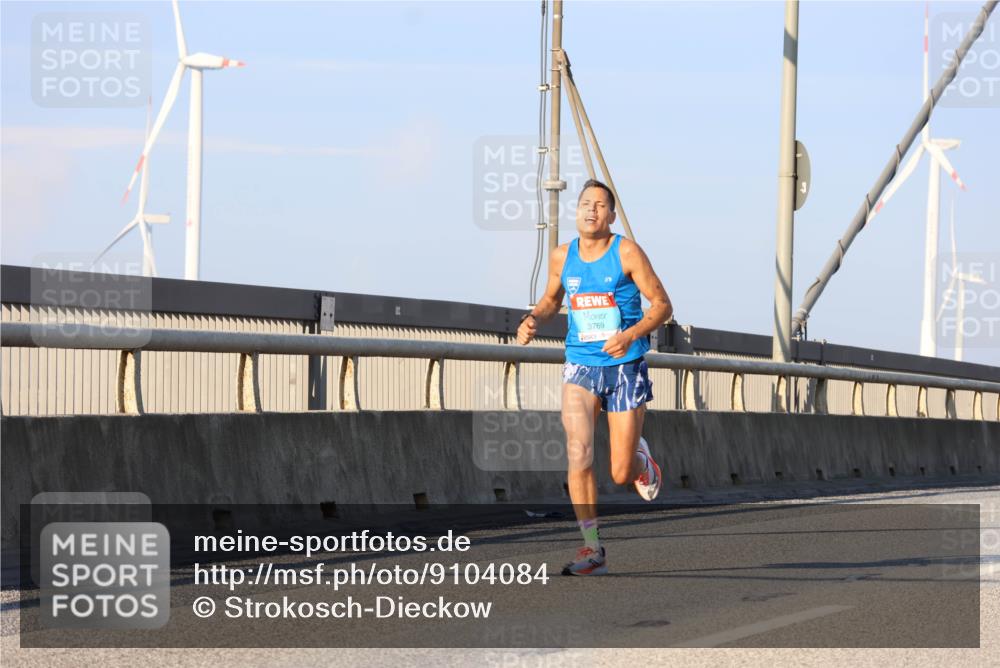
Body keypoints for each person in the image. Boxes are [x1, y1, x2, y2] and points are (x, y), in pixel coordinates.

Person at [517, 179, 673, 576]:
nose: (591, 210)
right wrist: (534, 318)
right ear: (577, 211)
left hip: (625, 365)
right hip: (581, 364)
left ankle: (640, 460)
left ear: (611, 215)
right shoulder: (561, 257)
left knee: (620, 473)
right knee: (578, 451)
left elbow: (662, 305)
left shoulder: (627, 252)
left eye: (600, 205)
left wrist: (630, 335)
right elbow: (552, 301)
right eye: (585, 203)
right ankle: (591, 547)